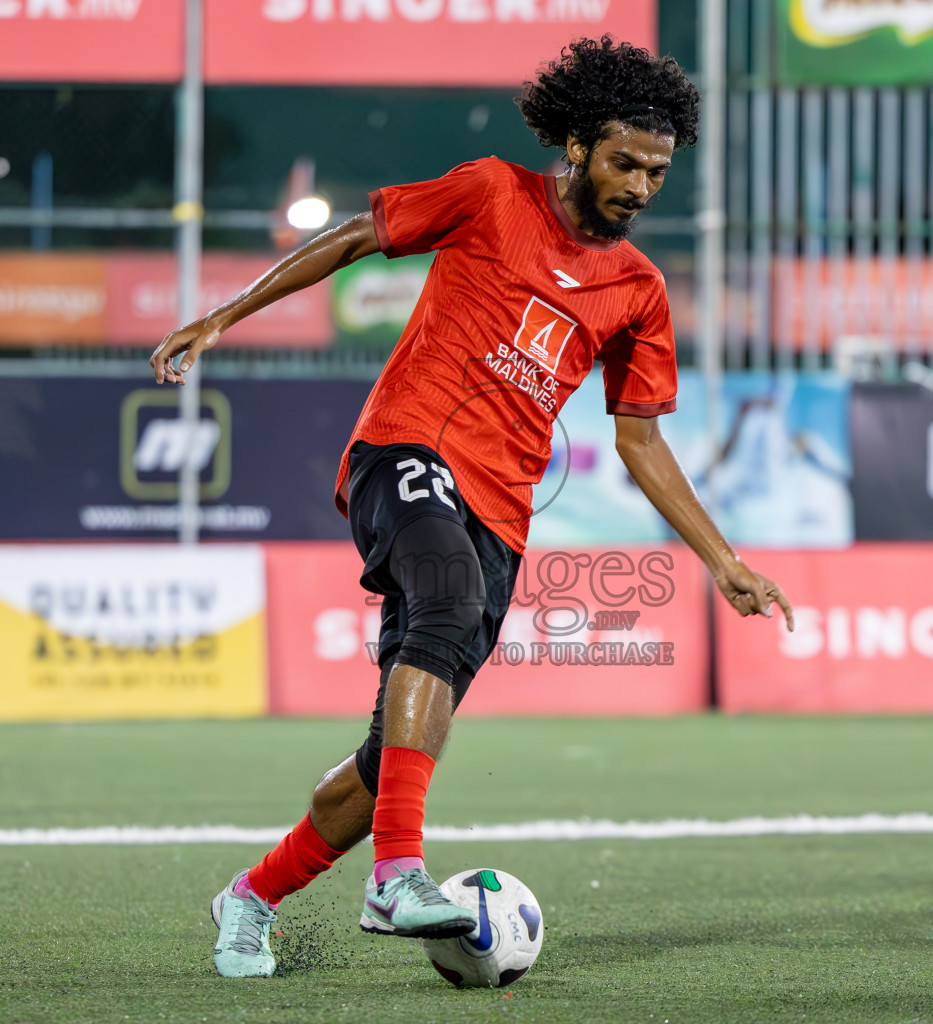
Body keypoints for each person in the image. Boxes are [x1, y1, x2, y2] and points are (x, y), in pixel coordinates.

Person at [148, 37, 795, 979]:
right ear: (575, 145)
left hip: (501, 516)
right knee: (444, 601)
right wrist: (224, 314)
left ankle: (249, 897)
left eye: (658, 171)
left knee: (385, 763)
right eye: (625, 162)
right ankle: (397, 877)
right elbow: (358, 235)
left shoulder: (639, 292)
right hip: (403, 452)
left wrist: (723, 560)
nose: (642, 185)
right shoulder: (493, 192)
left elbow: (642, 442)